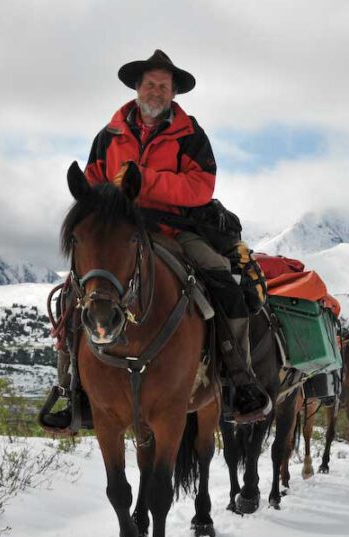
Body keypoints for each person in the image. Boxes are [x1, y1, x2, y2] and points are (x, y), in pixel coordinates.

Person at [71, 49, 271, 424]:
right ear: (137, 87)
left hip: (176, 230)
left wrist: (145, 181)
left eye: (164, 86)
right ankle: (71, 387)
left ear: (174, 93)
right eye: (150, 84)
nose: (157, 91)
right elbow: (95, 181)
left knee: (222, 279)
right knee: (75, 289)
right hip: (120, 232)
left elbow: (200, 187)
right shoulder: (109, 135)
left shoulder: (192, 136)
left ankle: (237, 380)